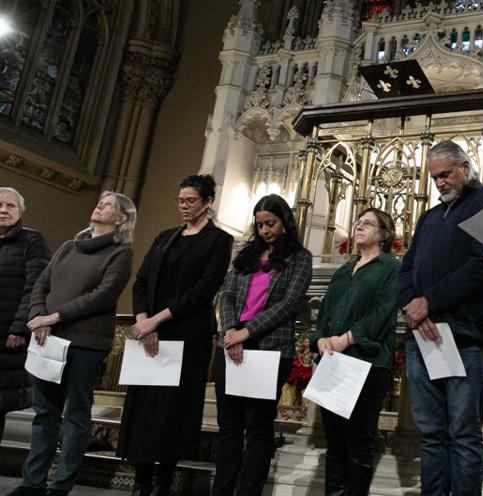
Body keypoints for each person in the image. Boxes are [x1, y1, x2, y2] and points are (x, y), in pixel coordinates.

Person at [398, 139, 483, 496]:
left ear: (465, 168)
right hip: (423, 337)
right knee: (430, 434)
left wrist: (429, 302)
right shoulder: (429, 217)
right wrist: (413, 308)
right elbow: (406, 269)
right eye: (434, 178)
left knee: (463, 434)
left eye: (446, 174)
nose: (440, 182)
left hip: (465, 335)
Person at [7, 191, 135, 496]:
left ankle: (61, 486)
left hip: (85, 343)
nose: (99, 205)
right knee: (44, 412)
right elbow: (42, 284)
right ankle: (32, 483)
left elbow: (103, 295)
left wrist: (54, 316)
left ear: (121, 218)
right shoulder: (68, 246)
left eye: (107, 205)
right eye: (100, 201)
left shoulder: (120, 252)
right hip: (48, 338)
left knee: (76, 415)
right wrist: (38, 314)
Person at [117, 174, 233, 496]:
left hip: (187, 335)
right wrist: (143, 321)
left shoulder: (219, 241)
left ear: (207, 202)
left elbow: (204, 289)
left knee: (172, 412)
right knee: (144, 409)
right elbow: (141, 282)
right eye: (180, 201)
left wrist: (157, 320)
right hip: (150, 332)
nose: (183, 206)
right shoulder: (164, 237)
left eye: (190, 201)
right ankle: (141, 483)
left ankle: (162, 485)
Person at [213, 194, 312, 496]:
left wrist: (247, 332)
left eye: (270, 223)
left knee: (257, 425)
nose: (265, 230)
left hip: (269, 348)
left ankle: (247, 491)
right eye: (259, 225)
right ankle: (222, 490)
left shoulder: (299, 257)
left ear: (284, 222)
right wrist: (231, 331)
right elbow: (227, 296)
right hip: (230, 345)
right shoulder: (245, 257)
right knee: (229, 426)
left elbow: (290, 302)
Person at [310, 207, 399, 496]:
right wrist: (321, 338)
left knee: (358, 443)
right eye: (358, 222)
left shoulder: (391, 268)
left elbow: (384, 312)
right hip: (334, 362)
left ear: (384, 234)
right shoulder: (343, 271)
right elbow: (324, 312)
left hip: (367, 363)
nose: (360, 227)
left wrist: (348, 338)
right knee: (334, 443)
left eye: (368, 223)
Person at [0, 187, 49, 442]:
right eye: (0, 205)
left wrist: (19, 328)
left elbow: (36, 286)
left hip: (7, 336)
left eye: (10, 206)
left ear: (20, 212)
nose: (3, 210)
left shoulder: (31, 241)